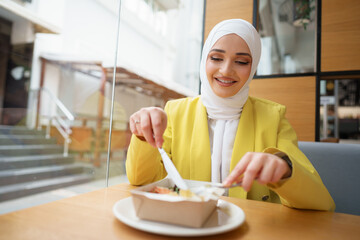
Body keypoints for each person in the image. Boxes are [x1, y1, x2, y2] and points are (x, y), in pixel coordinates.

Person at [126, 19, 335, 211]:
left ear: (253, 68)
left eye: (242, 62)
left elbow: (321, 202)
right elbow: (141, 182)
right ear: (204, 59)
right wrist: (144, 136)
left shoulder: (273, 117)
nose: (226, 70)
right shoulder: (174, 112)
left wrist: (285, 170)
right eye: (216, 58)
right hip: (186, 227)